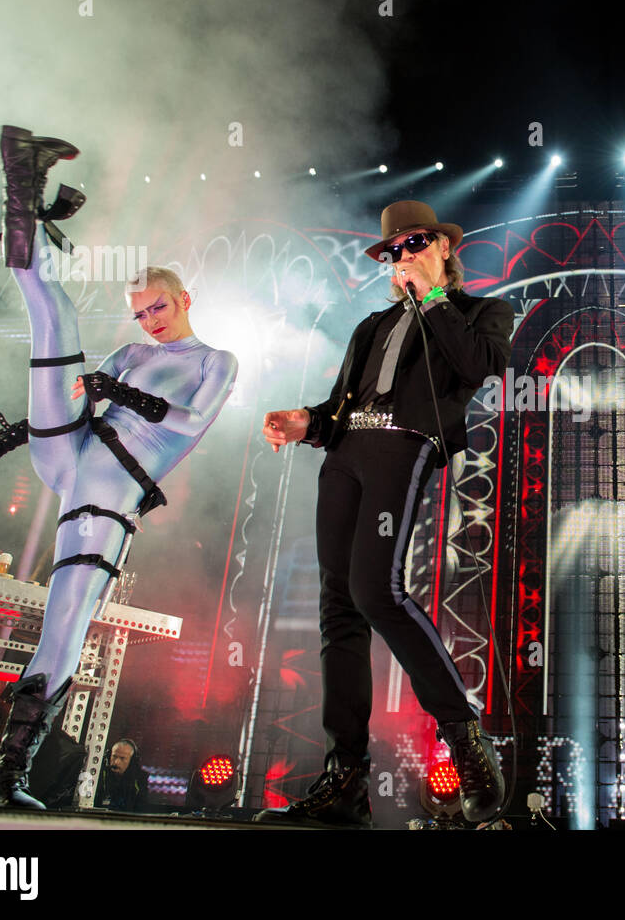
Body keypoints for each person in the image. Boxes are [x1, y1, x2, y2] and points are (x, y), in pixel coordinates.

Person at [0, 124, 238, 809]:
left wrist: (119, 391)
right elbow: (74, 406)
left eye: (158, 306)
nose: (149, 320)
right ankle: (20, 179)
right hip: (72, 459)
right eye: (139, 312)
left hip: (108, 497)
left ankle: (3, 774)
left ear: (185, 297)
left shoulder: (213, 362)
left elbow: (191, 424)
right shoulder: (131, 356)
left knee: (65, 628)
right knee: (52, 313)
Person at [259, 200, 514, 827]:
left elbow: (481, 366)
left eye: (415, 244)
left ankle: (465, 736)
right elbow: (340, 408)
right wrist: (307, 423)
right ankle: (344, 781)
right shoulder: (371, 326)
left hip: (405, 448)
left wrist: (431, 300)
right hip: (346, 456)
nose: (403, 257)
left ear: (445, 248)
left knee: (377, 591)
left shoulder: (481, 312)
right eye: (393, 251)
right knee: (337, 606)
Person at [95, 738, 149, 812]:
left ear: (132, 762)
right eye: (114, 756)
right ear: (108, 756)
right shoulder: (98, 774)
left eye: (122, 758)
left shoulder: (140, 779)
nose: (116, 762)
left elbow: (140, 808)